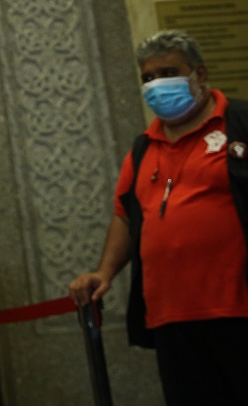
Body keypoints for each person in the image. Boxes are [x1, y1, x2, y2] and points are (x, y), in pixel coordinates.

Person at [68, 29, 248, 405]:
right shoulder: (143, 147)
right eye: (147, 78)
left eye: (167, 72)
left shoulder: (240, 122)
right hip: (172, 318)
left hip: (238, 310)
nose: (156, 85)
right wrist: (103, 273)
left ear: (199, 75)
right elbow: (125, 217)